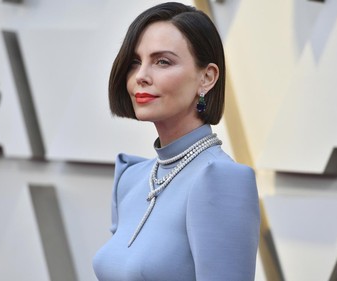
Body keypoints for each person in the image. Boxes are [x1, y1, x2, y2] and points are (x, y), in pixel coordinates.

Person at [93, 2, 260, 280]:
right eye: (135, 61)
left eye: (162, 61)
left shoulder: (222, 179)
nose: (141, 76)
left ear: (206, 78)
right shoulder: (131, 178)